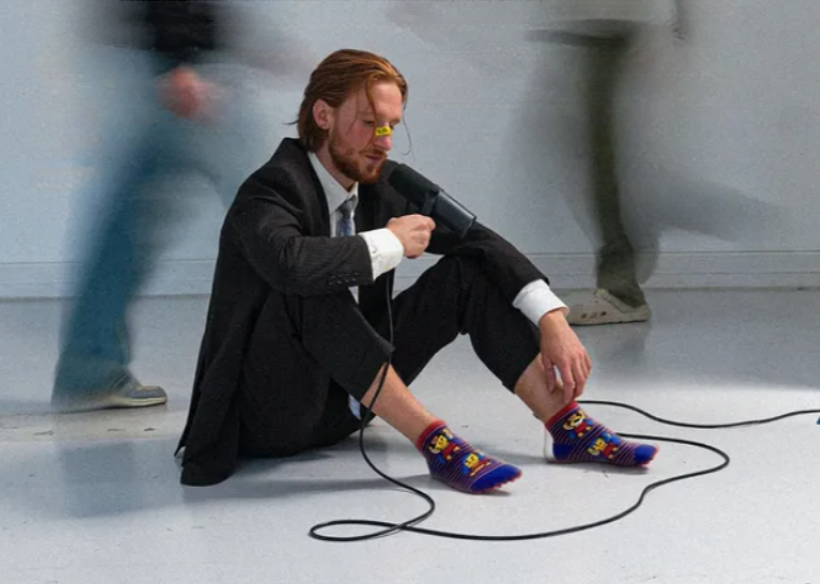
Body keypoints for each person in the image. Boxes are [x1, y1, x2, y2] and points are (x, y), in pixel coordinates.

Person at [176, 49, 658, 492]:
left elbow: (478, 239)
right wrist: (390, 242)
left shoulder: (384, 183)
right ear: (323, 115)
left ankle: (568, 428)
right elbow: (291, 265)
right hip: (270, 418)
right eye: (369, 123)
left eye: (390, 126)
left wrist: (551, 318)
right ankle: (436, 443)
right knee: (310, 281)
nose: (383, 141)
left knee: (467, 272)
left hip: (347, 408)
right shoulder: (270, 189)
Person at [52, 1, 229, 412]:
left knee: (132, 222)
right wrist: (180, 56)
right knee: (267, 207)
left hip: (186, 63)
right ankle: (90, 367)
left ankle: (90, 367)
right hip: (180, 67)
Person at [524, 0, 688, 325]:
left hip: (613, 27)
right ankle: (623, 277)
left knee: (599, 163)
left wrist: (672, 20)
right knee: (586, 158)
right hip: (596, 27)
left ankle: (622, 291)